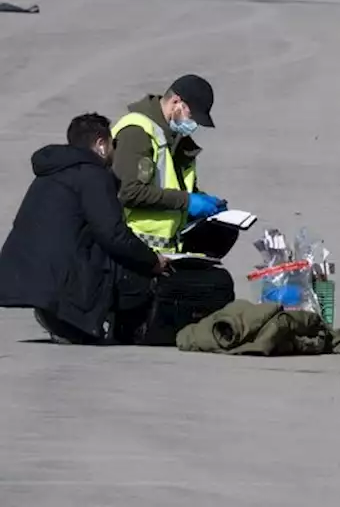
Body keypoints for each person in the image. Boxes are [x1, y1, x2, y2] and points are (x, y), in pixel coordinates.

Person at [0, 114, 167, 345]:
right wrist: (151, 261)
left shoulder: (51, 172)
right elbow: (113, 234)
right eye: (113, 144)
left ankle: (60, 316)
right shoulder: (93, 175)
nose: (114, 151)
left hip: (33, 275)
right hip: (63, 280)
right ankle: (122, 330)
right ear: (101, 144)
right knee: (134, 272)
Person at [111, 74, 226, 253]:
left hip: (167, 252)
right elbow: (129, 191)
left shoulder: (176, 139)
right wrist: (187, 201)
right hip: (134, 250)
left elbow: (174, 186)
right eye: (191, 115)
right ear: (176, 102)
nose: (194, 124)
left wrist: (204, 201)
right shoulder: (136, 132)